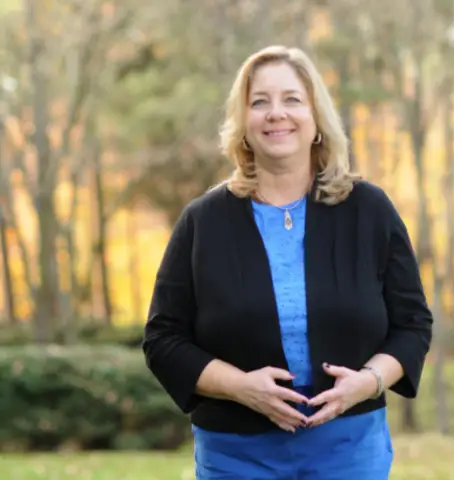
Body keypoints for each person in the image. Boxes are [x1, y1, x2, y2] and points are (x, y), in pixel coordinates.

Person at [142, 45, 433, 480]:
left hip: (349, 450)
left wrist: (368, 382)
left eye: (292, 99)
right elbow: (163, 340)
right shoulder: (202, 221)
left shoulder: (369, 211)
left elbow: (412, 325)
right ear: (243, 124)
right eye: (260, 102)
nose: (276, 113)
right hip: (235, 456)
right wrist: (240, 388)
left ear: (316, 118)